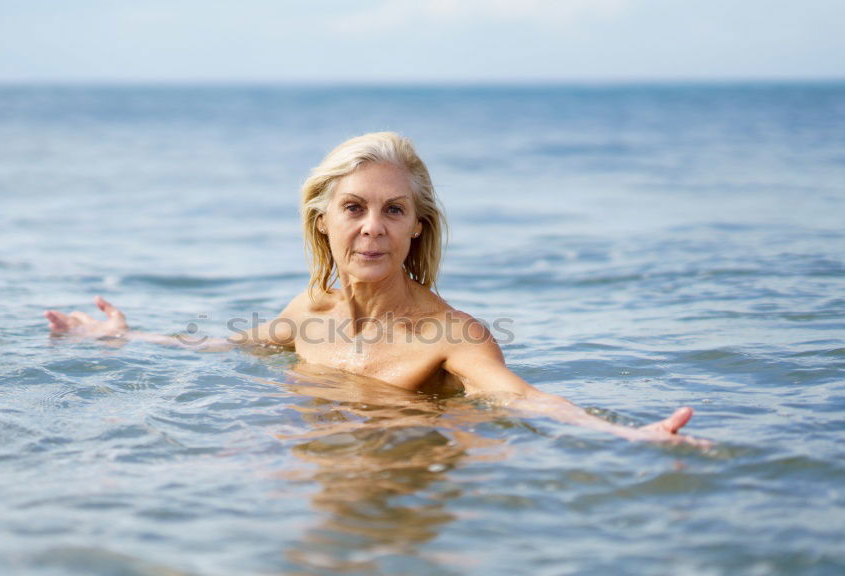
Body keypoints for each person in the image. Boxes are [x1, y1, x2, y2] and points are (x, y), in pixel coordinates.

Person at [45, 132, 707, 446]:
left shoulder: (453, 333)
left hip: (411, 489)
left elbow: (524, 399)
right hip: (325, 480)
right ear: (323, 219)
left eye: (394, 211)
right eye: (355, 208)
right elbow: (230, 346)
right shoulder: (310, 311)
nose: (373, 229)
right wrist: (127, 338)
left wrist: (627, 437)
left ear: (417, 229)